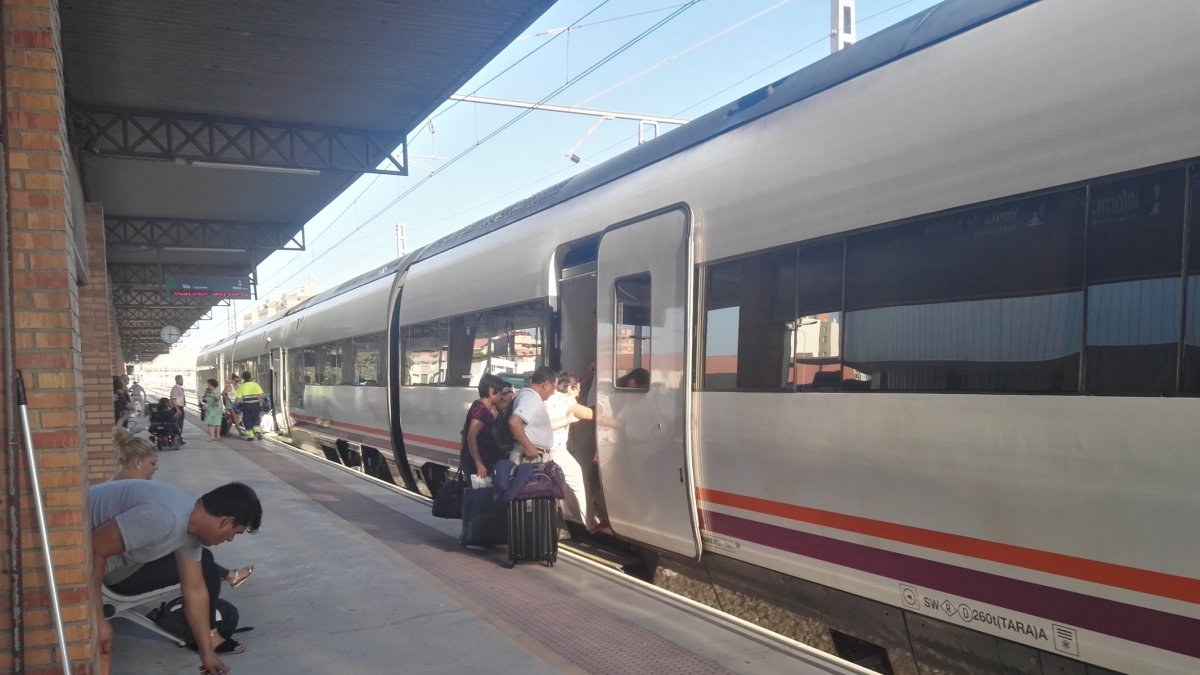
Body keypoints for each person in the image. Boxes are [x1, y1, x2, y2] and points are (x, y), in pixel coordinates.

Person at [89, 480, 262, 675]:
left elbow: (194, 589)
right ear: (226, 521)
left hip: (99, 562)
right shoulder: (166, 517)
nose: (230, 539)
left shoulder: (190, 521)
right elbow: (93, 549)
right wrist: (98, 620)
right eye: (235, 533)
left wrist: (207, 653)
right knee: (101, 648)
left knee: (205, 566)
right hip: (65, 562)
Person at [110, 428, 255, 589]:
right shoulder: (143, 495)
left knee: (198, 553)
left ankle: (227, 579)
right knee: (205, 569)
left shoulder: (123, 485)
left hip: (130, 560)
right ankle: (226, 583)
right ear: (137, 462)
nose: (156, 468)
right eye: (153, 463)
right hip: (123, 570)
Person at [544, 372, 595, 526]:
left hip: (544, 450)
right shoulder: (566, 401)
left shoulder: (549, 398)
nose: (579, 392)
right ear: (569, 388)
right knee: (579, 482)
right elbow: (588, 414)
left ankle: (563, 522)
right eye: (577, 389)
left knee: (555, 487)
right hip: (557, 450)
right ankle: (591, 521)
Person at [459, 373, 507, 478]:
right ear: (491, 391)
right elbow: (471, 437)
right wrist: (479, 464)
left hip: (482, 460)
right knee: (479, 492)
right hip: (476, 462)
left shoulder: (483, 406)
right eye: (500, 393)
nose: (501, 396)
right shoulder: (481, 410)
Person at [509, 366, 558, 461]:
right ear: (546, 384)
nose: (553, 392)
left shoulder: (530, 396)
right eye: (554, 387)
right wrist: (529, 447)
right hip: (529, 456)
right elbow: (514, 422)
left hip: (533, 455)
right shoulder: (531, 397)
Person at [234, 371, 265, 441]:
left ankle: (250, 436)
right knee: (256, 418)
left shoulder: (241, 386)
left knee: (247, 420)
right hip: (256, 405)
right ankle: (257, 431)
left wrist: (236, 405)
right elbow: (262, 395)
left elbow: (238, 400)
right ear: (250, 376)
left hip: (247, 406)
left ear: (243, 378)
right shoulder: (255, 384)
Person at [170, 375, 187, 445]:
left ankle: (179, 438)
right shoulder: (176, 388)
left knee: (180, 424)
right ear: (177, 380)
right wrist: (177, 409)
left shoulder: (180, 388)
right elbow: (174, 399)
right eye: (181, 379)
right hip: (178, 408)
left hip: (180, 408)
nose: (182, 381)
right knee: (177, 424)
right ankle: (176, 439)